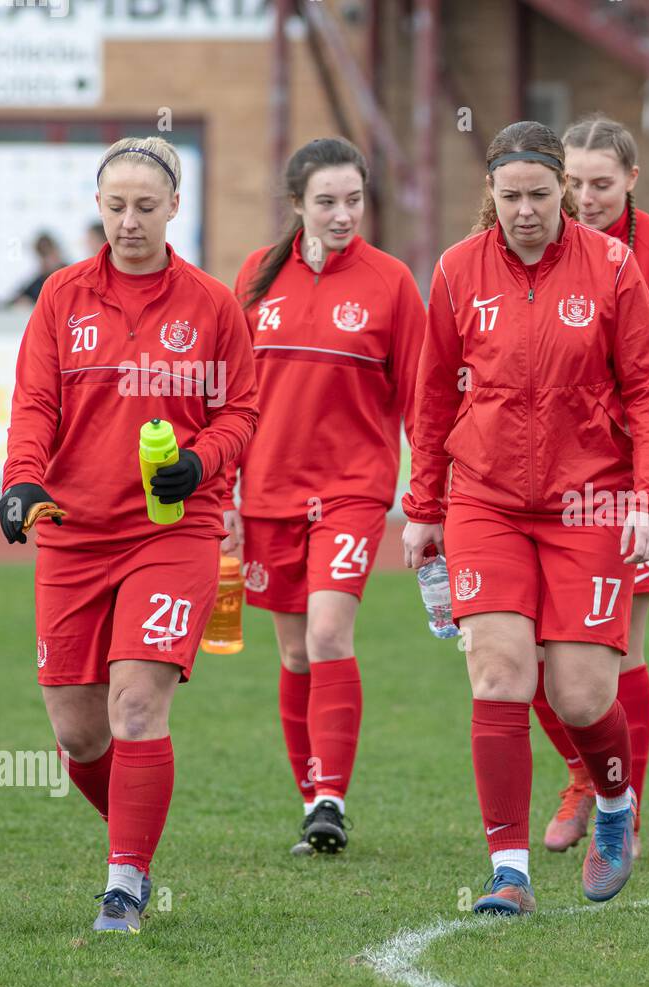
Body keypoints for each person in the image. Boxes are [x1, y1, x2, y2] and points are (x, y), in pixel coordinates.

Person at [400, 121, 649, 915]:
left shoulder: (613, 266)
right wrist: (423, 508)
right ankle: (509, 872)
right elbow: (432, 398)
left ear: (564, 190)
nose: (526, 211)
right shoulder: (457, 270)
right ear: (490, 193)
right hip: (485, 500)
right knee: (498, 675)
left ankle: (616, 809)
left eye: (541, 195)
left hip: (591, 501)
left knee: (583, 694)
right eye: (510, 196)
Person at [0, 136, 258, 933]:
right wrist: (22, 481)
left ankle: (126, 881)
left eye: (146, 206)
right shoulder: (60, 297)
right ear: (98, 205)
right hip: (75, 532)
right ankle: (134, 829)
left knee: (136, 708)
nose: (129, 221)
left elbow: (241, 411)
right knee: (78, 734)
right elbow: (35, 403)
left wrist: (201, 461)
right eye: (115, 206)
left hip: (171, 532)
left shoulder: (212, 303)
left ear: (175, 207)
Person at [223, 137, 426, 854]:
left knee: (329, 633)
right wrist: (224, 493)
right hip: (267, 493)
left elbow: (420, 402)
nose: (343, 215)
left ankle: (333, 797)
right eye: (328, 202)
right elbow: (230, 396)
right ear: (297, 206)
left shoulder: (392, 282)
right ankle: (311, 802)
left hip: (351, 492)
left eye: (354, 200)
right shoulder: (256, 275)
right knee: (295, 654)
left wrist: (424, 498)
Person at [529, 114, 649, 858]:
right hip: (538, 477)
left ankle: (627, 803)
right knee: (523, 647)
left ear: (631, 180)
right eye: (574, 184)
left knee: (618, 648)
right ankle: (579, 774)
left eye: (601, 183)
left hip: (625, 477)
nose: (585, 198)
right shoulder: (541, 245)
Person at [11, 232, 67, 306]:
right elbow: (16, 299)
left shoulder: (72, 277)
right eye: (41, 255)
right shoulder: (39, 281)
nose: (45, 260)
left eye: (46, 254)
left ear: (56, 252)